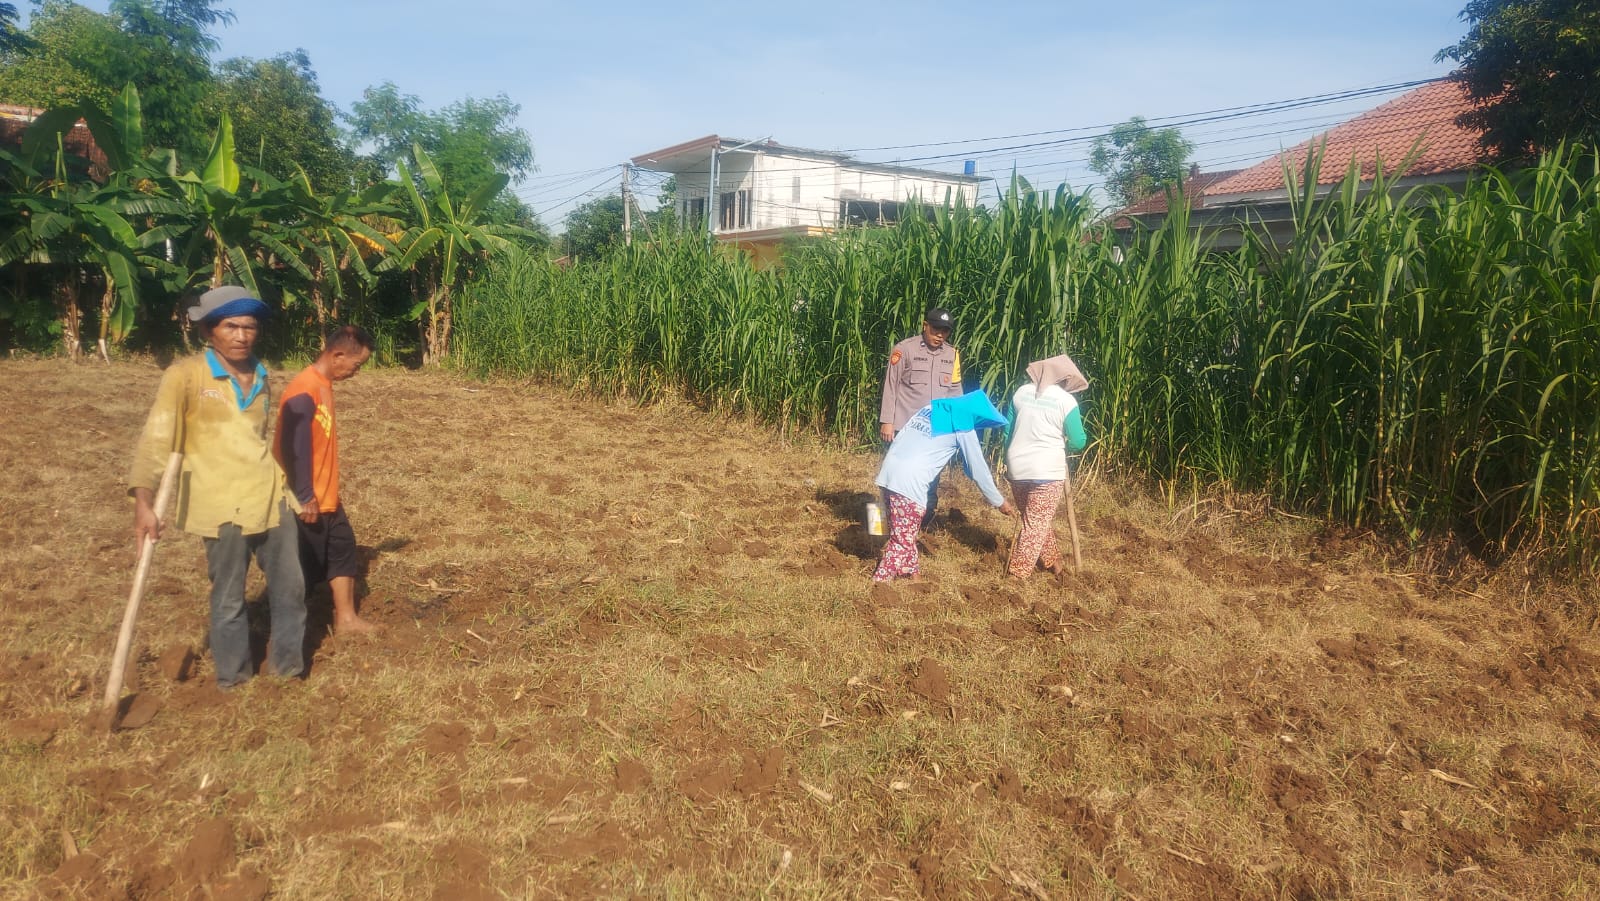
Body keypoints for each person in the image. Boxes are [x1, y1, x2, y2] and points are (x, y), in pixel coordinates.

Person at [129, 285, 305, 687]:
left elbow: (258, 440)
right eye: (231, 326)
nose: (242, 335)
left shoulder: (262, 375)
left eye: (250, 327)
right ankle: (234, 679)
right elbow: (157, 441)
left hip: (269, 496)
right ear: (209, 331)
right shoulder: (185, 376)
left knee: (291, 589)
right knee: (228, 596)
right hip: (219, 503)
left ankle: (287, 672)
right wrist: (144, 501)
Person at [274, 325, 378, 636]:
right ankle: (281, 627)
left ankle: (346, 619)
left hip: (326, 494)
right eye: (356, 365)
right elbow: (295, 448)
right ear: (337, 355)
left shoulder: (322, 384)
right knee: (306, 566)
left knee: (343, 545)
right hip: (306, 498)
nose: (355, 372)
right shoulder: (304, 390)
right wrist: (305, 494)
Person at [874, 390, 1016, 582]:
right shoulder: (963, 425)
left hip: (888, 474)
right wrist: (999, 502)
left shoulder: (929, 408)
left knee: (905, 531)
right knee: (901, 539)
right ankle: (879, 584)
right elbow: (978, 470)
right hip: (910, 484)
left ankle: (914, 576)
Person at [1003, 354, 1089, 579]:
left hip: (1017, 467)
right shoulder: (1066, 401)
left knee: (1033, 519)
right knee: (1035, 524)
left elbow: (1007, 432)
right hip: (1047, 470)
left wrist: (1007, 458)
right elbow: (1079, 441)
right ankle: (1017, 575)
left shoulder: (1021, 392)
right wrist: (1065, 439)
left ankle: (1054, 561)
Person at [880, 307, 963, 527]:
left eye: (945, 331)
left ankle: (924, 520)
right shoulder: (904, 350)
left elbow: (955, 391)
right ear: (925, 325)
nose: (940, 335)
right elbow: (891, 386)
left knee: (931, 477)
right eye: (936, 329)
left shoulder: (952, 355)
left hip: (936, 429)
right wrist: (887, 421)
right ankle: (891, 520)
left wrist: (958, 425)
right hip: (906, 428)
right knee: (899, 475)